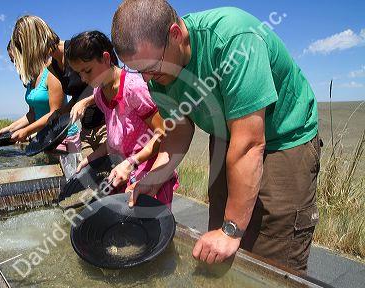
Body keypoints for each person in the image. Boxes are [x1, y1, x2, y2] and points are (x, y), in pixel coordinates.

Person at [111, 0, 320, 272]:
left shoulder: (233, 39)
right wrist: (156, 176)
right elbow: (180, 129)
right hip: (227, 136)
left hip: (283, 138)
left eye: (152, 65)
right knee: (218, 253)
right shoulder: (155, 76)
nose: (149, 77)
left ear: (176, 34)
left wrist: (231, 230)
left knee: (270, 258)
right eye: (139, 71)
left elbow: (249, 145)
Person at [65, 30, 179, 206]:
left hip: (150, 176)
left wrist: (132, 162)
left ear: (105, 58)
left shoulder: (134, 89)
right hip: (123, 173)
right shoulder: (100, 93)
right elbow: (115, 140)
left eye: (87, 71)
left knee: (149, 228)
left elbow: (163, 133)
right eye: (79, 73)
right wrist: (90, 158)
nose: (83, 78)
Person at [10, 15, 106, 157]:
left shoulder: (76, 50)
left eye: (25, 51)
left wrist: (85, 102)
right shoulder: (53, 66)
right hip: (87, 130)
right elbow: (77, 97)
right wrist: (54, 120)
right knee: (86, 177)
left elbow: (109, 83)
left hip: (107, 126)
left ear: (33, 43)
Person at [0, 42, 80, 152]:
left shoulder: (51, 73)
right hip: (45, 137)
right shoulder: (31, 79)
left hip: (63, 136)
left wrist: (26, 131)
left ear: (26, 55)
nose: (15, 64)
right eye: (12, 61)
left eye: (16, 59)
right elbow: (32, 114)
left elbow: (55, 114)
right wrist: (10, 128)